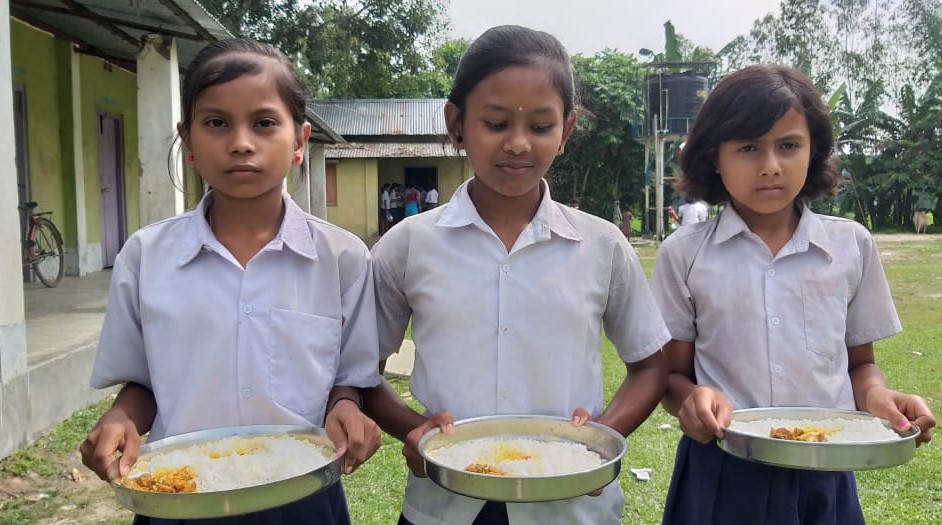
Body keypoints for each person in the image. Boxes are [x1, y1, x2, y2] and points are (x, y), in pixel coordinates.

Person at [363, 25, 670, 525]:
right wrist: (412, 429)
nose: (518, 143)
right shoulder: (408, 245)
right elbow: (363, 370)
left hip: (571, 507)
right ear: (457, 123)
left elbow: (651, 365)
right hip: (444, 505)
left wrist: (598, 441)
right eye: (496, 123)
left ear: (566, 131)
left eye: (541, 126)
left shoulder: (601, 245)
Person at [79, 38, 383, 525]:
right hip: (181, 495)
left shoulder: (341, 258)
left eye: (264, 123)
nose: (241, 142)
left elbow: (348, 379)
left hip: (303, 495)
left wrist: (346, 406)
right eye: (216, 123)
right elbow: (144, 383)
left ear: (300, 141)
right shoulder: (146, 257)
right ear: (188, 141)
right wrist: (120, 418)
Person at [649, 65, 936, 525]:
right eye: (748, 147)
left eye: (788, 146)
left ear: (813, 151)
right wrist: (693, 398)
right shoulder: (684, 254)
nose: (770, 165)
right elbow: (672, 376)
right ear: (714, 156)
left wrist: (880, 396)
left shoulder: (850, 246)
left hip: (826, 464)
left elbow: (859, 365)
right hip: (722, 467)